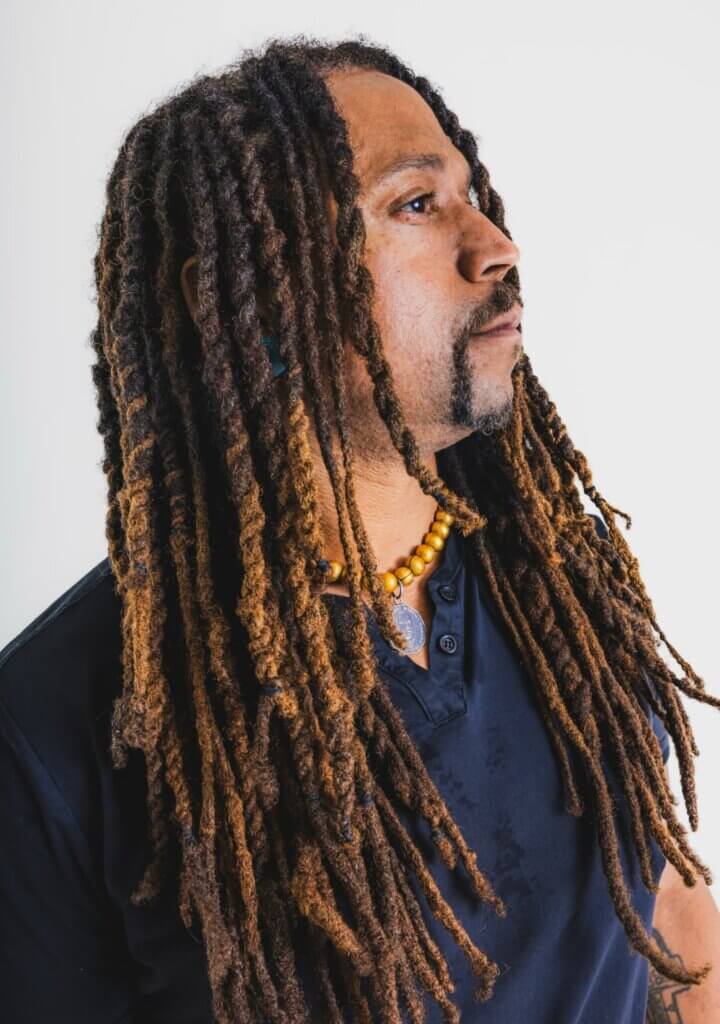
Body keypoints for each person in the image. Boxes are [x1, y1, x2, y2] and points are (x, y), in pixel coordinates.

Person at [1, 35, 719, 1024]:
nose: (494, 246)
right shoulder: (56, 726)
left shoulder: (559, 581)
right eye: (416, 204)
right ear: (249, 294)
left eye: (474, 196)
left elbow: (678, 934)